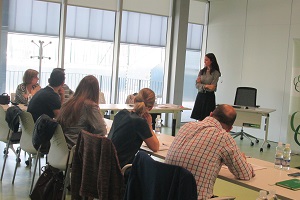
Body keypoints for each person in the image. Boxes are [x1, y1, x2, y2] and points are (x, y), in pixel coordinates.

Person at [165, 104, 255, 199]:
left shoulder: (187, 126)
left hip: (166, 194)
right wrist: (242, 160)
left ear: (211, 114)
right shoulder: (223, 137)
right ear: (229, 129)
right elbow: (245, 174)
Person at [108, 88, 159, 168]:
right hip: (121, 168)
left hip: (108, 164)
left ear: (134, 100)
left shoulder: (121, 114)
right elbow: (155, 147)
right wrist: (149, 125)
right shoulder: (140, 122)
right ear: (151, 107)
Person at [57, 75, 107, 148]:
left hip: (62, 148)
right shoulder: (90, 106)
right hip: (78, 150)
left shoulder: (68, 103)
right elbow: (102, 131)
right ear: (95, 91)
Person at [191, 53, 221, 121]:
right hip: (201, 95)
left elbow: (213, 87)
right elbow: (197, 85)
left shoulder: (216, 73)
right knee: (199, 118)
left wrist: (201, 85)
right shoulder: (202, 71)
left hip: (209, 97)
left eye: (206, 60)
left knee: (208, 118)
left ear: (211, 61)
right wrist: (206, 86)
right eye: (204, 60)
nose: (205, 61)